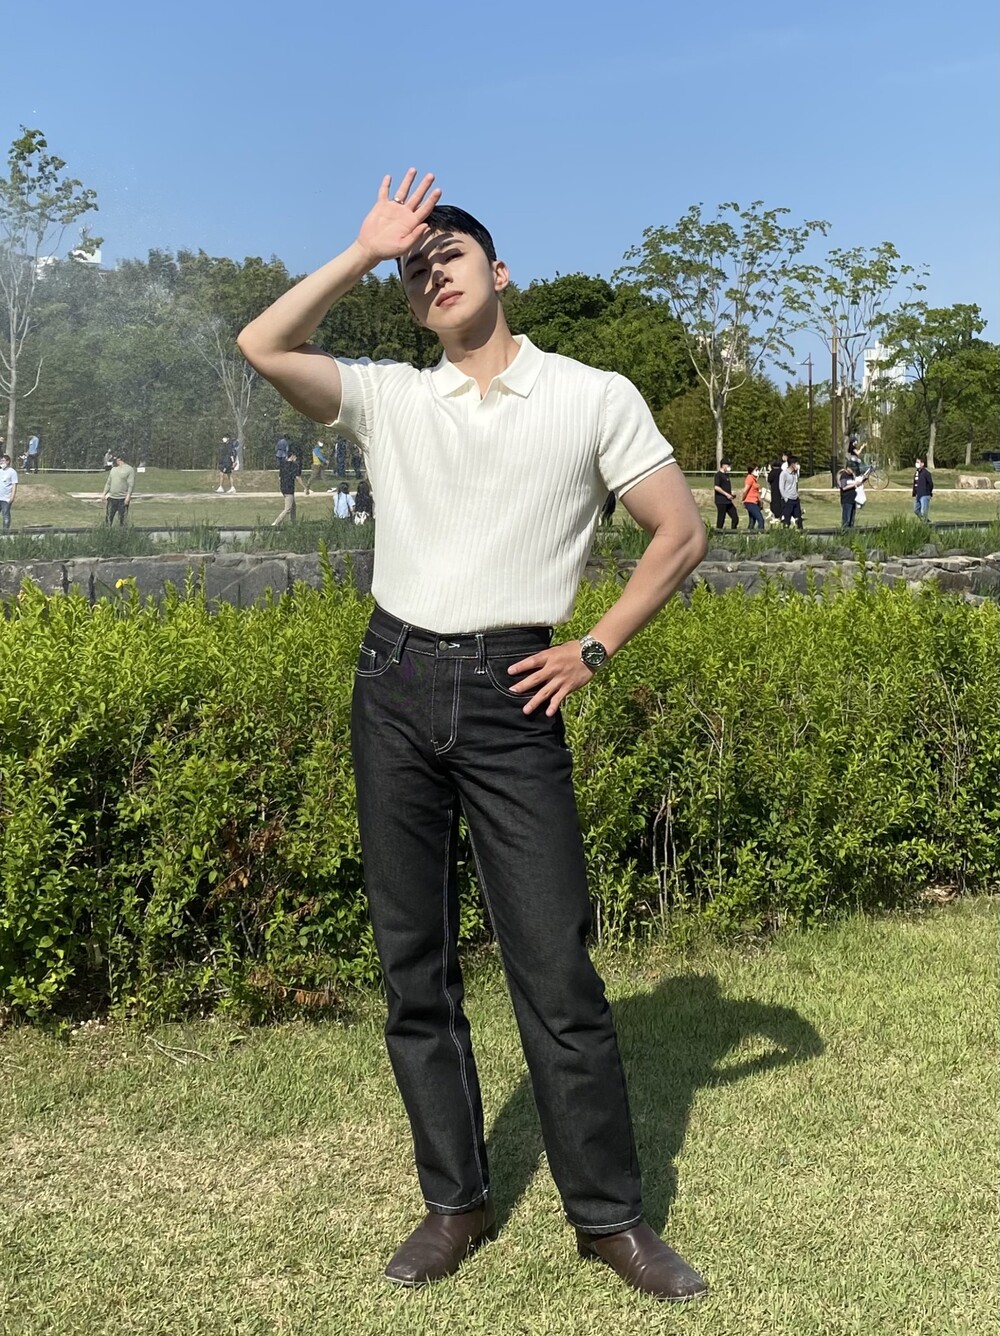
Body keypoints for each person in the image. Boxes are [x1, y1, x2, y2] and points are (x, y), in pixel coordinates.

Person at [237, 171, 709, 1305]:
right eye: (414, 269)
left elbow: (678, 533)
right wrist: (365, 249)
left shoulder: (590, 395)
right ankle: (455, 1202)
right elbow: (263, 344)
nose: (430, 272)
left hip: (514, 692)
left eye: (447, 254)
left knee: (555, 965)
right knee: (415, 967)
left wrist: (593, 648)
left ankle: (609, 1218)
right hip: (392, 681)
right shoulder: (392, 398)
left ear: (500, 273)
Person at [272, 445, 303, 525]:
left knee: (293, 506)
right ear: (292, 456)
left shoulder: (283, 464)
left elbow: (280, 477)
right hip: (289, 489)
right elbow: (297, 477)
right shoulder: (293, 466)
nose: (296, 458)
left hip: (283, 487)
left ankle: (293, 522)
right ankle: (275, 523)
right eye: (295, 456)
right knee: (288, 509)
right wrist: (305, 487)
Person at [103, 451, 135, 526]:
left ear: (120, 459)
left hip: (122, 499)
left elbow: (131, 484)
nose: (114, 460)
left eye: (115, 459)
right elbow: (108, 483)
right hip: (112, 498)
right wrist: (104, 493)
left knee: (122, 520)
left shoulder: (129, 469)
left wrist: (128, 496)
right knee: (108, 519)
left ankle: (122, 531)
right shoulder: (113, 469)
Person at [712, 459, 738, 530]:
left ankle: (733, 532)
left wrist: (731, 493)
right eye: (728, 465)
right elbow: (716, 487)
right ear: (723, 465)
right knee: (721, 519)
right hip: (721, 501)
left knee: (735, 518)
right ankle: (718, 533)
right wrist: (726, 494)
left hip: (728, 501)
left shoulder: (726, 475)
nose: (729, 467)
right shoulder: (718, 475)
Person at [779, 455, 803, 528]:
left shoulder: (795, 473)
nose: (797, 465)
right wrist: (786, 498)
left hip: (795, 499)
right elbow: (781, 487)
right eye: (796, 464)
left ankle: (801, 533)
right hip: (788, 500)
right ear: (792, 464)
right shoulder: (784, 474)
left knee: (799, 520)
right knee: (787, 521)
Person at [741, 465, 765, 531]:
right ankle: (761, 533)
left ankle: (748, 534)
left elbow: (756, 492)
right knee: (760, 519)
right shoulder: (749, 478)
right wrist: (743, 499)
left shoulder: (754, 479)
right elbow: (745, 491)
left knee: (752, 521)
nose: (758, 471)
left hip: (755, 502)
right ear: (751, 471)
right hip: (750, 502)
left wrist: (760, 501)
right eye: (756, 470)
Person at [0, 453, 18, 531]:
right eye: (0, 461)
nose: (1, 462)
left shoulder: (12, 472)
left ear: (8, 461)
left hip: (6, 498)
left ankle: (5, 531)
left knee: (5, 515)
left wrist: (12, 497)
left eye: (3, 461)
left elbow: (14, 485)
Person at [766, 458, 784, 524]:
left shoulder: (773, 472)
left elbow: (769, 479)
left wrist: (767, 474)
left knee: (775, 503)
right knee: (780, 502)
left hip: (774, 489)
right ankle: (781, 515)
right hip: (781, 489)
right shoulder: (782, 471)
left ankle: (776, 516)